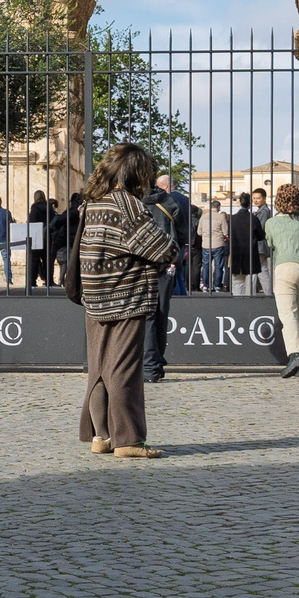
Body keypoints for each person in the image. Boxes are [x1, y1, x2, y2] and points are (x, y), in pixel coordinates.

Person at [76, 142, 179, 459]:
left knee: (99, 369)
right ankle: (129, 441)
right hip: (127, 295)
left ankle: (102, 436)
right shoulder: (129, 207)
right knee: (124, 370)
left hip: (94, 295)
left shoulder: (93, 204)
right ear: (138, 174)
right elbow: (164, 249)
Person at [145, 171, 192, 383]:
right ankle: (156, 364)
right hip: (166, 264)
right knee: (161, 313)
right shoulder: (168, 201)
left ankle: (146, 364)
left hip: (140, 264)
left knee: (144, 316)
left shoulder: (133, 202)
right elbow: (184, 234)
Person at [266, 182, 299, 376]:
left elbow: (270, 242)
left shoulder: (272, 222)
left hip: (285, 268)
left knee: (288, 316)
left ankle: (294, 355)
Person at [228, 191, 270, 295]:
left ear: (239, 203)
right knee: (251, 278)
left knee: (237, 282)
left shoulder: (232, 219)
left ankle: (237, 303)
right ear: (249, 204)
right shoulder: (253, 218)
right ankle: (250, 300)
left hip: (236, 252)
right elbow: (261, 236)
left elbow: (229, 234)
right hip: (251, 252)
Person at [200, 196, 230, 292]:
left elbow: (199, 232)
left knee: (206, 265)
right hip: (218, 243)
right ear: (219, 207)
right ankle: (217, 285)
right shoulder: (221, 217)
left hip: (206, 244)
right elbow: (225, 232)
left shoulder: (203, 217)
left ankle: (205, 285)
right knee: (218, 265)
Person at [25, 190, 50, 286]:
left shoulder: (34, 208)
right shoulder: (49, 207)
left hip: (36, 236)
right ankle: (48, 280)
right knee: (47, 259)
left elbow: (32, 222)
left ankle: (32, 281)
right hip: (47, 235)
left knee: (34, 260)